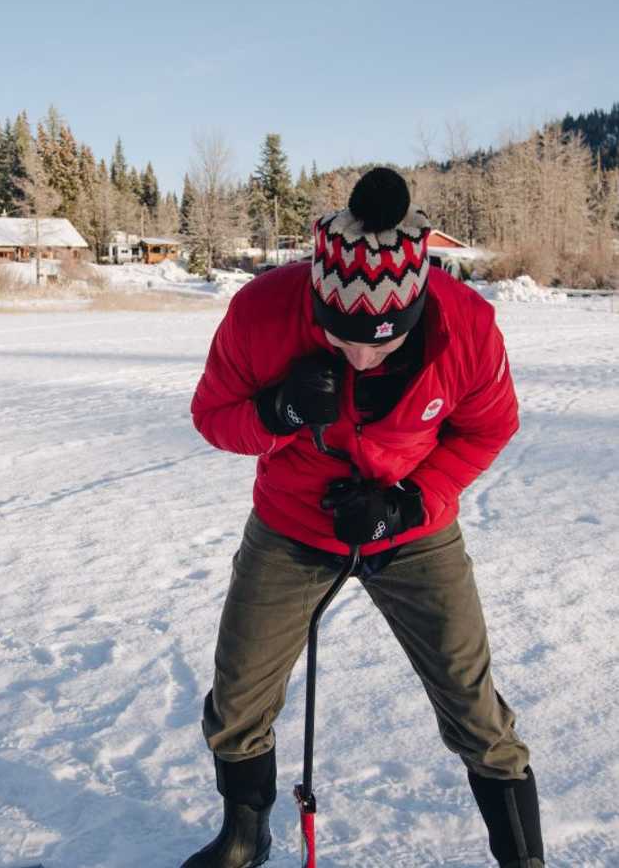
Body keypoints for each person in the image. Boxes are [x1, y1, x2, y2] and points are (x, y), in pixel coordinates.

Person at [181, 167, 544, 868]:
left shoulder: (467, 326)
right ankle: (243, 836)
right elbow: (212, 417)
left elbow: (488, 429)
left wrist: (411, 502)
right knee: (238, 695)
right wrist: (277, 414)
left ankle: (524, 858)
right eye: (343, 337)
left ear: (415, 309)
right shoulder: (262, 312)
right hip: (294, 523)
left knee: (474, 708)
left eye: (383, 341)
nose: (361, 355)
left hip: (412, 528)